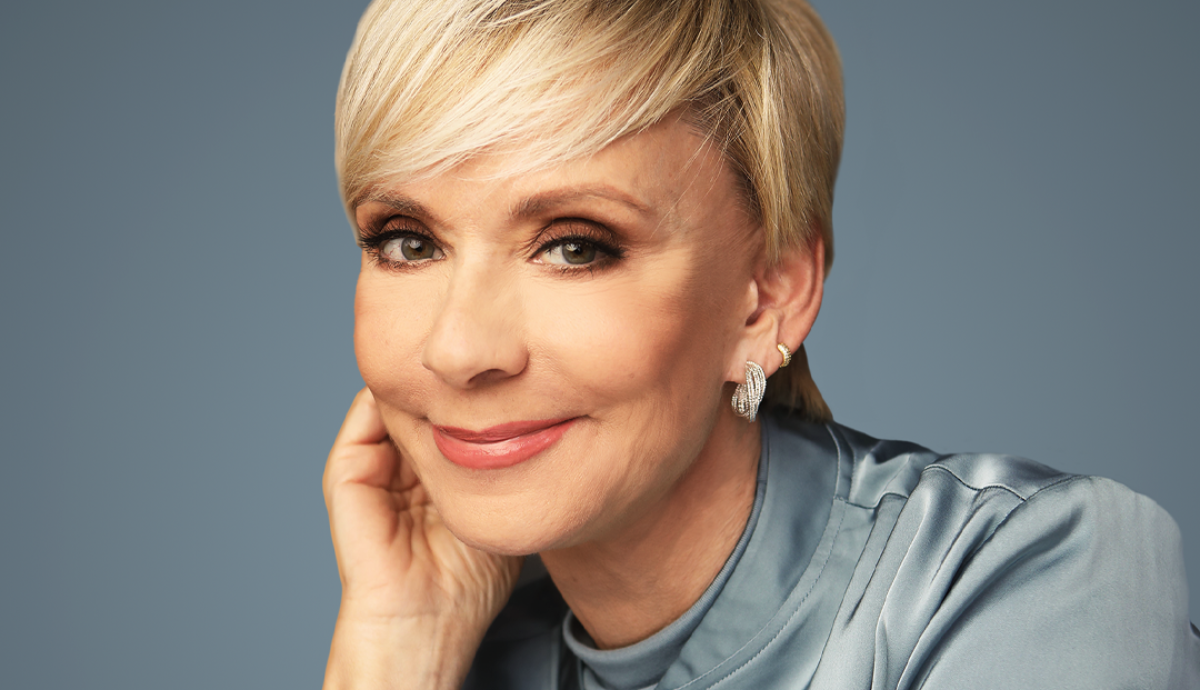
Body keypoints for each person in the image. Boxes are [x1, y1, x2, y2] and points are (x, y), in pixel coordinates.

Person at [321, 1, 1200, 688]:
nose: (459, 349)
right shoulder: (473, 646)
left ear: (769, 298)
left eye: (575, 246)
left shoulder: (1033, 574)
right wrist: (399, 648)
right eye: (408, 242)